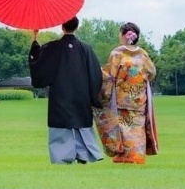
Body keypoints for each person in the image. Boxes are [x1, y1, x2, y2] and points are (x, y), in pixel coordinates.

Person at [28, 16, 104, 164]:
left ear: (62, 27)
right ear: (77, 27)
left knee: (61, 125)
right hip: (82, 94)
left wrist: (35, 38)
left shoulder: (52, 47)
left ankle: (62, 157)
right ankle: (83, 155)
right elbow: (95, 74)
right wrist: (93, 96)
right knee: (81, 122)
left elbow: (38, 62)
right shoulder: (86, 49)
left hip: (60, 93)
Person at [101, 22, 158, 164]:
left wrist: (100, 74)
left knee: (123, 128)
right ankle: (137, 156)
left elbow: (109, 75)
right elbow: (152, 72)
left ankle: (125, 156)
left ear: (123, 35)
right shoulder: (142, 54)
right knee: (137, 127)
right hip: (139, 98)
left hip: (122, 97)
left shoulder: (117, 54)